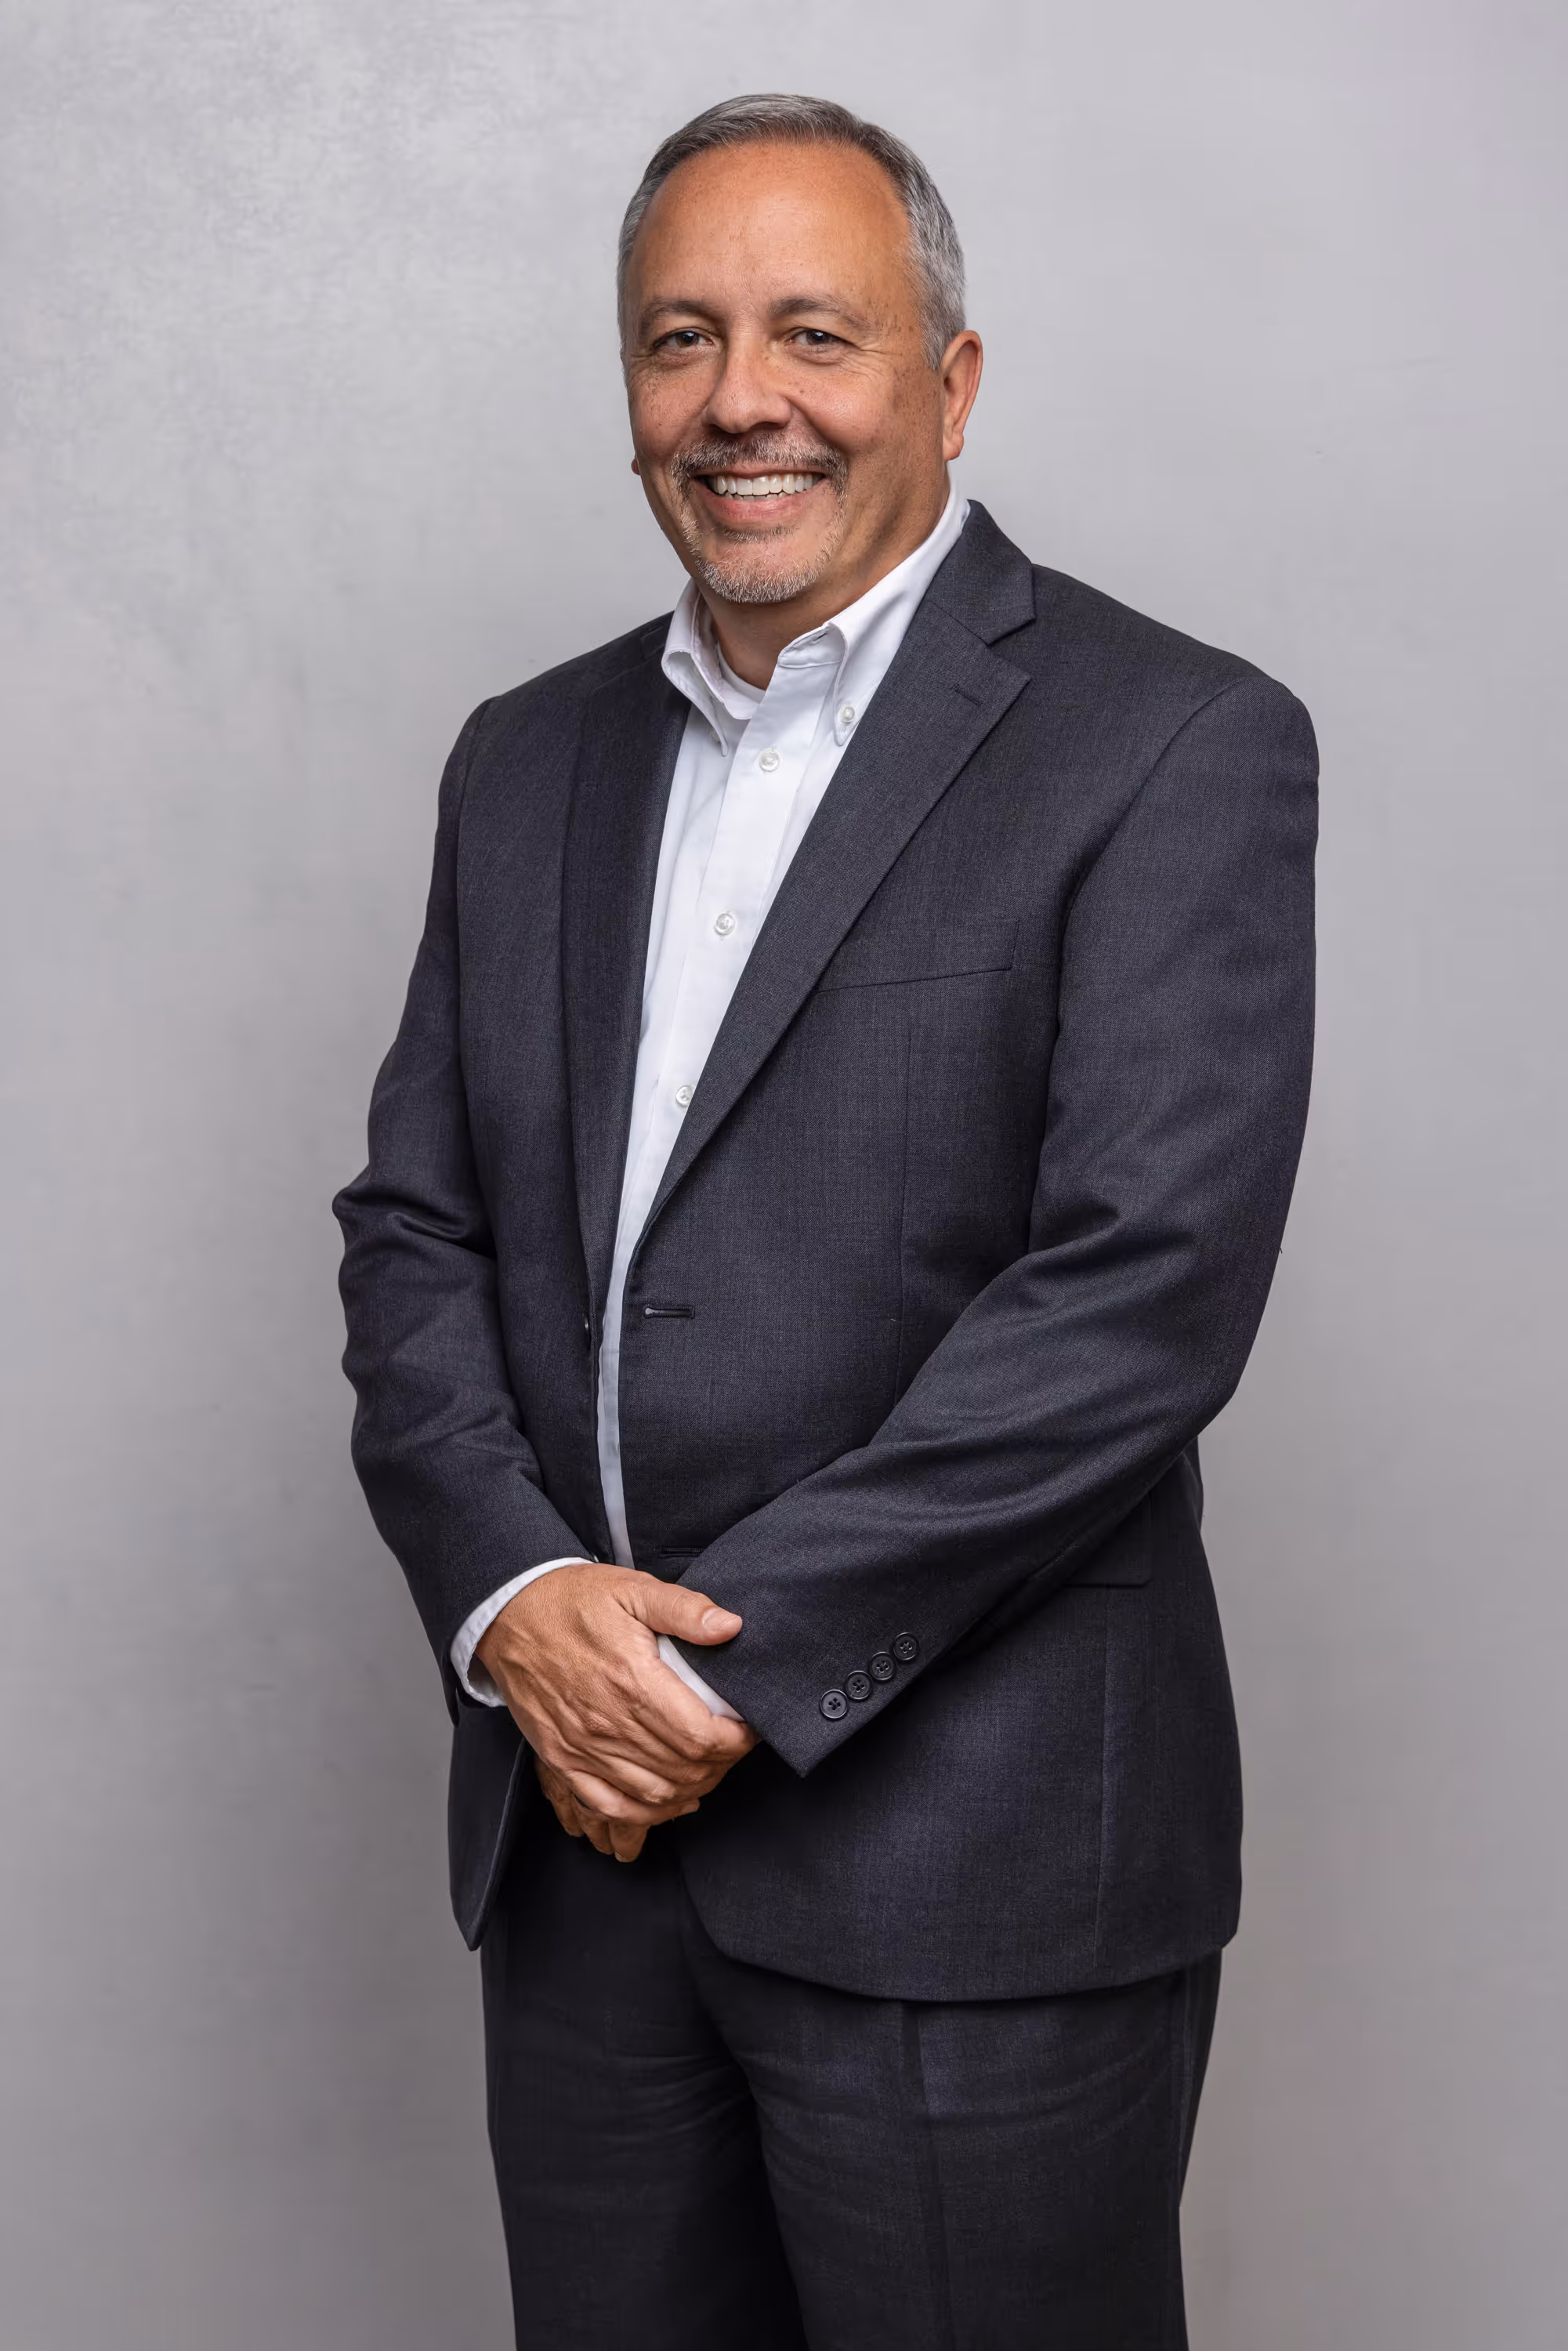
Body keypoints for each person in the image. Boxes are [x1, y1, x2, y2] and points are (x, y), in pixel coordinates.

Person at [335, 92, 1316, 2351]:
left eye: (813, 334)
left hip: (972, 1880)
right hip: (584, 1861)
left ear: (949, 383)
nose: (741, 400)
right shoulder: (524, 760)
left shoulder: (1172, 741)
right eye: (680, 341)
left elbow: (1142, 1297)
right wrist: (517, 1609)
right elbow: (417, 1234)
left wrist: (696, 1674)